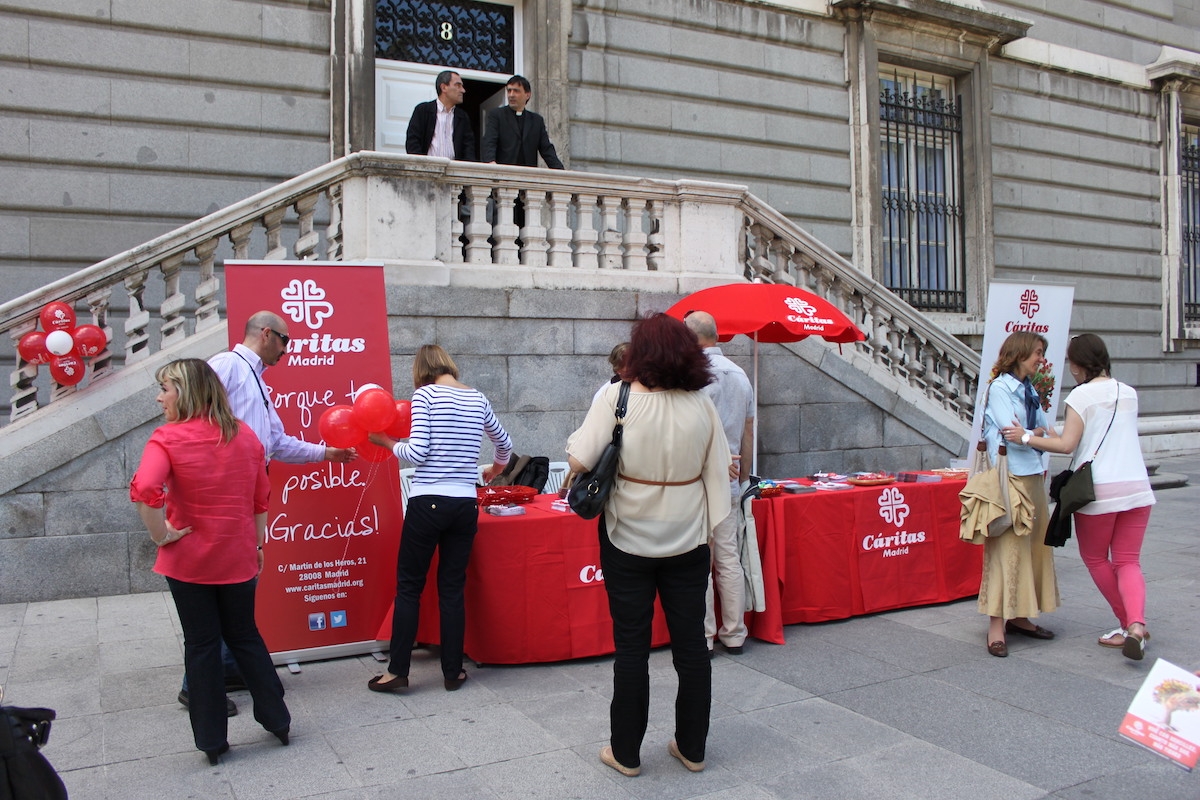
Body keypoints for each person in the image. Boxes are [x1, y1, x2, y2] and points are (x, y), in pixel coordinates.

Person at [566, 313, 732, 777]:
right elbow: (719, 470)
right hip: (688, 537)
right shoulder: (701, 404)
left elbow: (579, 457)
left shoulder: (617, 398)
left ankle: (626, 753)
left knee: (632, 648)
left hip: (627, 538)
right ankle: (693, 748)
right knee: (692, 647)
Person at [189, 310, 355, 715]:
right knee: (222, 583)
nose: (286, 349)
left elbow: (276, 442)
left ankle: (228, 666)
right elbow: (196, 419)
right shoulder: (227, 365)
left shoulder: (258, 382)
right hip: (226, 490)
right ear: (266, 334)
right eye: (284, 340)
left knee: (239, 580)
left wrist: (325, 453)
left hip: (249, 488)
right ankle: (197, 686)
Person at [129, 359, 290, 765]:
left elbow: (146, 487)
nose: (159, 396)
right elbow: (260, 499)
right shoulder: (245, 436)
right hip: (237, 555)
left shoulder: (167, 439)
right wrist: (258, 544)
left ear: (185, 391)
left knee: (201, 645)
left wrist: (160, 535)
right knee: (245, 636)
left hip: (189, 561)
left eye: (165, 388)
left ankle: (211, 740)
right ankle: (277, 719)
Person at [366, 345, 512, 692]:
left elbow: (417, 452)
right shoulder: (477, 398)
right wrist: (494, 469)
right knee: (451, 589)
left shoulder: (426, 396)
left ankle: (398, 671)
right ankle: (452, 672)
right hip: (464, 504)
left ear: (422, 371)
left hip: (428, 500)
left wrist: (386, 442)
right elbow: (504, 444)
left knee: (410, 588)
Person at [1001, 333, 1155, 660]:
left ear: (1077, 364)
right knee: (1128, 561)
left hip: (1098, 491)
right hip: (1138, 488)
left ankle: (1128, 625)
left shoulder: (1081, 396)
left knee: (1097, 558)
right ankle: (1138, 626)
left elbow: (1067, 445)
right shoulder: (1128, 392)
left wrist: (1026, 436)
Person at [978, 330, 1059, 657]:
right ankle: (996, 627)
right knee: (1007, 550)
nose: (1041, 358)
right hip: (1009, 478)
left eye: (1042, 352)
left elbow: (1043, 430)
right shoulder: (1000, 388)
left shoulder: (1029, 390)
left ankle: (1021, 615)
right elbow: (1011, 434)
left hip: (1033, 476)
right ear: (1021, 352)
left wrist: (1031, 433)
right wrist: (1032, 433)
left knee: (1033, 548)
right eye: (1037, 352)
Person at [684, 310, 754, 656]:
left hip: (698, 482)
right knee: (728, 558)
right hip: (730, 480)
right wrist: (743, 479)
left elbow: (688, 434)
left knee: (701, 560)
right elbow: (748, 431)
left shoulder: (694, 376)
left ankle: (706, 634)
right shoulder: (740, 375)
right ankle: (735, 633)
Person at [481, 75, 564, 169]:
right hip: (503, 174)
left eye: (516, 91)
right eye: (509, 90)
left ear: (527, 94)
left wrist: (561, 171)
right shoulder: (497, 115)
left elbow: (547, 150)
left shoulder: (537, 121)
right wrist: (491, 163)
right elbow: (489, 142)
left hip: (527, 177)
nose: (511, 95)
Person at [406, 70, 477, 161]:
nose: (463, 90)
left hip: (454, 171)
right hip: (427, 169)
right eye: (458, 85)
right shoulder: (423, 110)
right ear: (444, 88)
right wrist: (420, 166)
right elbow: (413, 142)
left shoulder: (462, 117)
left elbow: (468, 148)